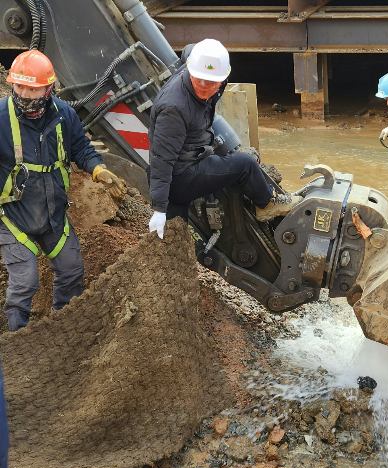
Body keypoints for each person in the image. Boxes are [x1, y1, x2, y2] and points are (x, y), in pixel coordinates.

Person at [0, 50, 125, 332]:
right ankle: (14, 344)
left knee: (71, 272)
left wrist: (97, 169)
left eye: (32, 89)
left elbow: (80, 147)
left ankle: (62, 334)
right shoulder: (0, 118)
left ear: (49, 88)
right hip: (13, 217)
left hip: (53, 216)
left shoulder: (64, 115)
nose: (24, 95)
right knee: (25, 282)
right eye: (19, 87)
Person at [147, 39, 290, 238]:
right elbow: (161, 160)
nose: (204, 87)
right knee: (246, 164)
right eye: (199, 80)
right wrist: (159, 209)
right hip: (179, 177)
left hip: (193, 152)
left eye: (212, 83)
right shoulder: (174, 109)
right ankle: (266, 204)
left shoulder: (199, 63)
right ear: (190, 71)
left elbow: (189, 50)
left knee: (177, 237)